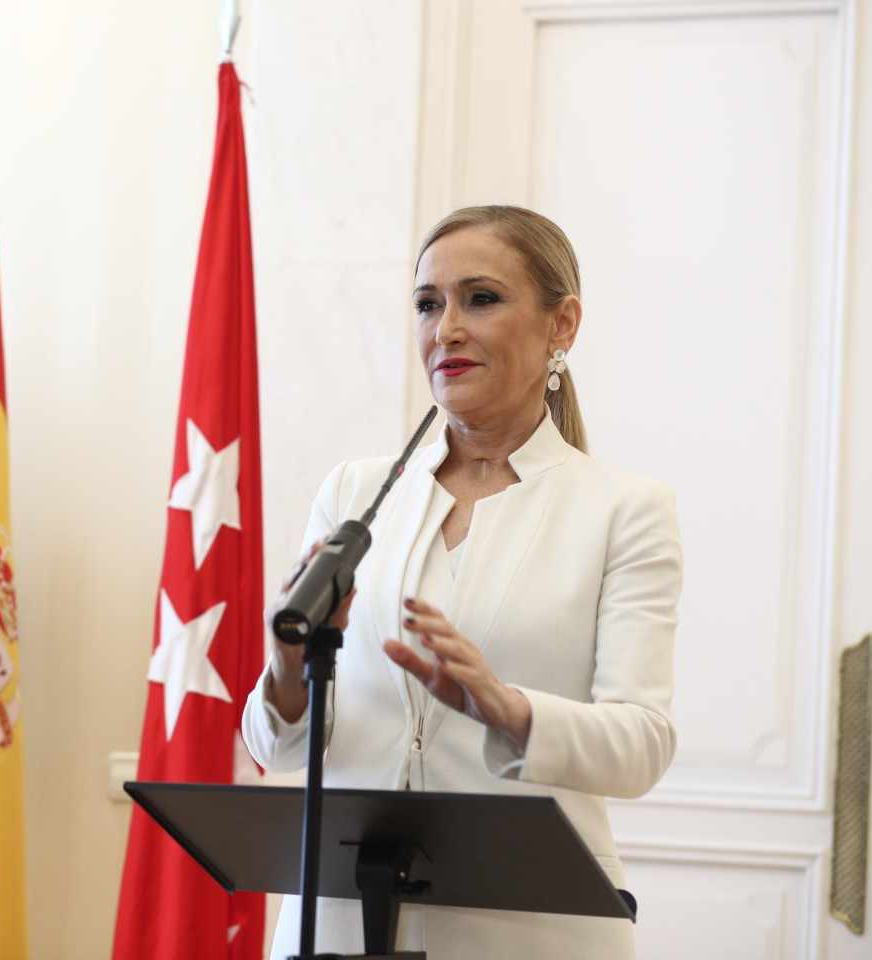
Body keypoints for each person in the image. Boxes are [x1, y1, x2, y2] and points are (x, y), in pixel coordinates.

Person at [242, 206, 682, 958]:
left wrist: (507, 709)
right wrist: (287, 665)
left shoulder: (624, 510)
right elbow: (278, 747)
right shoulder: (354, 494)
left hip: (530, 931)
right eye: (427, 303)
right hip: (342, 924)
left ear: (561, 325)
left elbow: (641, 744)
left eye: (480, 298)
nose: (445, 328)